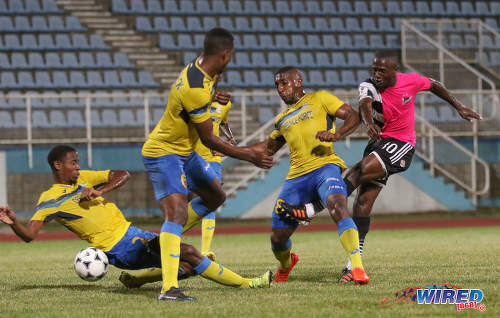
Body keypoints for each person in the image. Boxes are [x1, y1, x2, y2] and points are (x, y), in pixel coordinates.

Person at [275, 51, 482, 283]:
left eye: (382, 71)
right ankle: (352, 268)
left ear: (395, 71)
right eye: (374, 70)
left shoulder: (411, 81)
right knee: (362, 206)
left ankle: (310, 210)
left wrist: (458, 106)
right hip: (378, 145)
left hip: (401, 145)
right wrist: (370, 121)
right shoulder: (369, 84)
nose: (376, 74)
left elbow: (434, 85)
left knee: (356, 172)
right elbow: (364, 104)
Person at [0, 145, 273, 300]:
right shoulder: (50, 200)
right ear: (58, 166)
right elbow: (29, 234)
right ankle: (247, 284)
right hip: (119, 245)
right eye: (73, 162)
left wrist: (100, 190)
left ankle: (136, 280)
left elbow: (122, 173)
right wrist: (13, 221)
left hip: (132, 233)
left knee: (187, 268)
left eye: (78, 162)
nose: (78, 166)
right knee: (188, 251)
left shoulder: (84, 179)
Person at [141, 28, 273, 301]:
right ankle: (169, 288)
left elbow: (193, 107)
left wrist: (213, 96)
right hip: (163, 152)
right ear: (225, 54)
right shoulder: (196, 87)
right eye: (231, 55)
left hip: (183, 151)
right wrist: (250, 155)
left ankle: (168, 238)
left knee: (215, 196)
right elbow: (209, 139)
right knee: (176, 212)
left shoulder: (199, 70)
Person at [252, 66, 369, 285]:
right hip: (296, 179)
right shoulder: (281, 119)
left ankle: (358, 269)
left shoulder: (320, 98)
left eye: (284, 83)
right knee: (277, 239)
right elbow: (267, 149)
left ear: (298, 82)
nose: (279, 88)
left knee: (338, 206)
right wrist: (231, 150)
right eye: (277, 84)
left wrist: (336, 134)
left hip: (325, 167)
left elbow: (353, 115)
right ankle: (287, 264)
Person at [187, 96, 237, 261]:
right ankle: (168, 241)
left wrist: (228, 140)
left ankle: (205, 251)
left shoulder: (225, 104)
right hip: (192, 157)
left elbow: (222, 122)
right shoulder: (192, 98)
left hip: (212, 159)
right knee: (180, 199)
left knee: (212, 200)